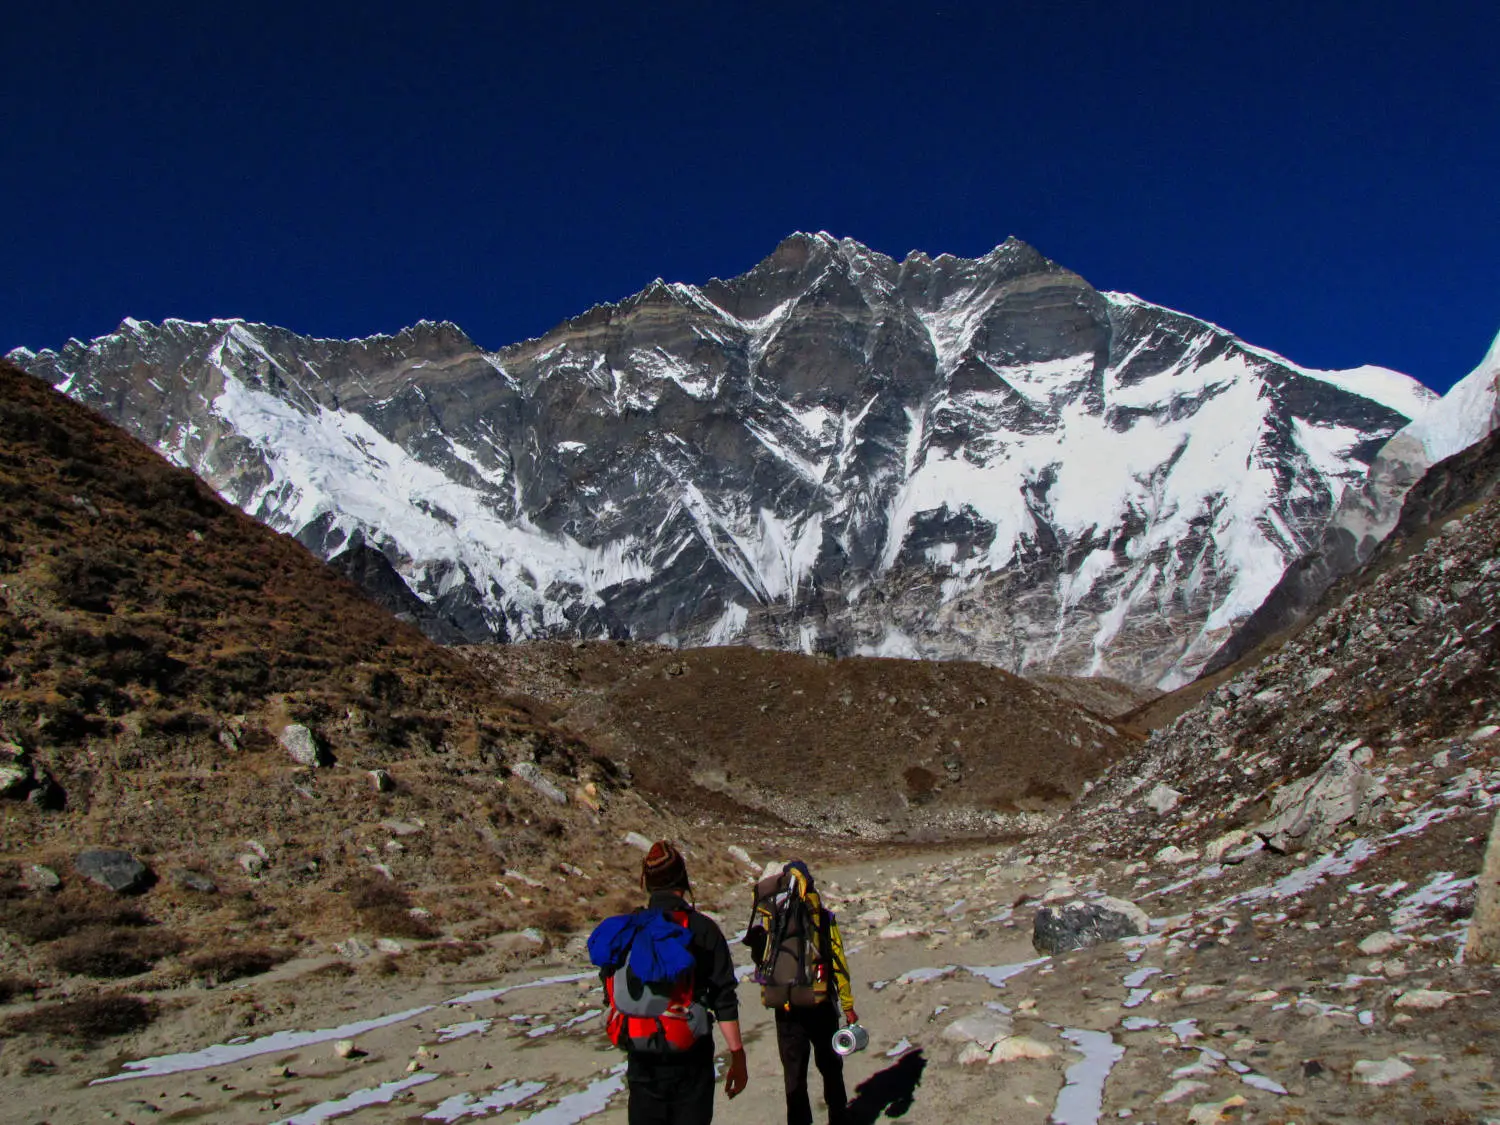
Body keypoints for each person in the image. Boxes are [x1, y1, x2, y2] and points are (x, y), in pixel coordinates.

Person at [595, 840, 748, 1124]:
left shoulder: (629, 930)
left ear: (647, 883)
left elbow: (610, 990)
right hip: (691, 1059)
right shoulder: (703, 930)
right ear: (684, 879)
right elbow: (724, 999)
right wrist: (737, 1056)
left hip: (642, 1059)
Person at [745, 860, 857, 1125]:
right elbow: (838, 962)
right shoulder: (822, 917)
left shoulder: (773, 919)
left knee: (794, 1077)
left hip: (786, 1009)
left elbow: (762, 962)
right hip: (821, 1004)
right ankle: (838, 1118)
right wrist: (848, 1005)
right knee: (831, 1069)